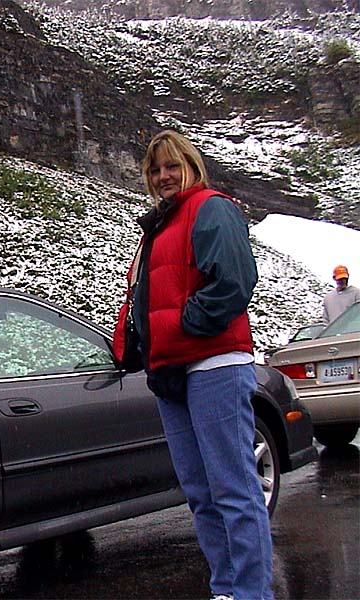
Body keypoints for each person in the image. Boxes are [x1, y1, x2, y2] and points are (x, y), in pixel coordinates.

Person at [120, 130, 273, 600]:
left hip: (214, 365)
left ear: (192, 166)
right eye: (155, 170)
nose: (163, 177)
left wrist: (182, 327)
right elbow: (148, 300)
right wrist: (131, 344)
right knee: (201, 492)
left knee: (232, 488)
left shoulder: (210, 208)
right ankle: (225, 588)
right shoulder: (156, 228)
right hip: (171, 371)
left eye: (172, 166)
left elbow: (233, 282)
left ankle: (251, 592)